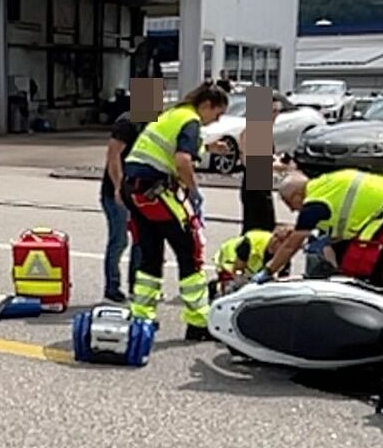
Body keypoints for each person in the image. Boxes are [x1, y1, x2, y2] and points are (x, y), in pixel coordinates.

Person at [121, 85, 230, 341]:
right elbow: (182, 160)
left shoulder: (174, 114)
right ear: (207, 105)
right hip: (154, 192)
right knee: (189, 251)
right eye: (218, 113)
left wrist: (208, 148)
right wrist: (194, 191)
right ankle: (199, 322)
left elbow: (170, 147)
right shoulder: (191, 120)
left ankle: (142, 317)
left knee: (151, 253)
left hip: (135, 190)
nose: (218, 119)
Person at [254, 169, 383, 288]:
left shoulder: (313, 206)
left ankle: (373, 296)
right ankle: (370, 289)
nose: (292, 210)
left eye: (289, 203)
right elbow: (343, 217)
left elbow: (291, 245)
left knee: (365, 258)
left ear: (296, 195)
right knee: (352, 253)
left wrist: (269, 270)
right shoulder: (322, 185)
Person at [100, 110, 145, 302]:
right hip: (116, 194)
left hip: (138, 192)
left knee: (140, 241)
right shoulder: (127, 123)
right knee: (119, 241)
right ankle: (112, 288)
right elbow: (113, 155)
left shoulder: (149, 123)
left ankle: (136, 287)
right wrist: (119, 187)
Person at [237, 92, 295, 234]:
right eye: (272, 111)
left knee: (263, 227)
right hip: (255, 187)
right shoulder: (255, 131)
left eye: (277, 111)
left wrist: (276, 160)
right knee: (257, 228)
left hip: (261, 185)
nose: (275, 116)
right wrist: (280, 166)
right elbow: (252, 162)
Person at [212, 225, 292, 298]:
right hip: (230, 260)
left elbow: (282, 280)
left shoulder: (286, 254)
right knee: (232, 291)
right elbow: (237, 270)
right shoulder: (250, 242)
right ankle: (216, 290)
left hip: (251, 271)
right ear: (276, 241)